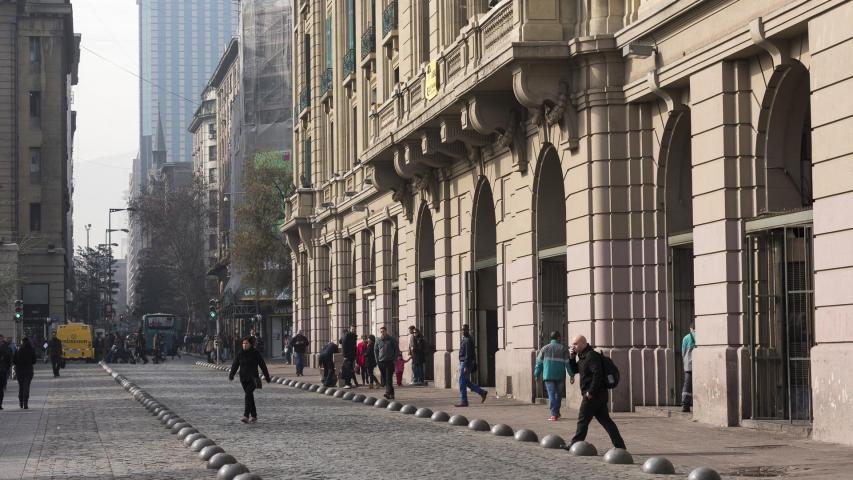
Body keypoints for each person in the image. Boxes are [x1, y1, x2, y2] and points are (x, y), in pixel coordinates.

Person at [568, 335, 626, 450]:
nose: (573, 346)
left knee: (582, 420)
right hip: (598, 395)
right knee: (606, 421)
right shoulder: (583, 357)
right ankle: (620, 446)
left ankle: (575, 444)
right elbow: (574, 370)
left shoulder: (591, 356)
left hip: (593, 395)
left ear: (583, 343)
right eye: (573, 344)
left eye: (575, 344)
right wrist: (572, 357)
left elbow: (597, 374)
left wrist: (591, 392)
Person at [534, 331, 575, 421]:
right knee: (558, 395)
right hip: (560, 376)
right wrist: (571, 375)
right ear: (558, 338)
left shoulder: (544, 348)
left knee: (551, 394)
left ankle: (554, 414)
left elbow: (539, 363)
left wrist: (536, 374)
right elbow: (567, 364)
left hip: (548, 376)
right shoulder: (563, 349)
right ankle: (556, 413)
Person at [229, 336, 271, 423]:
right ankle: (254, 415)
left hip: (253, 378)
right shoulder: (240, 353)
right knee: (250, 396)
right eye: (243, 343)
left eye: (246, 343)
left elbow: (262, 365)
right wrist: (231, 374)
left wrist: (267, 377)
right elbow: (235, 364)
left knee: (248, 394)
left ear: (250, 344)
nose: (244, 345)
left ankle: (246, 415)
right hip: (243, 378)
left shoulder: (255, 353)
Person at [457, 324, 488, 407]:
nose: (463, 331)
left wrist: (466, 366)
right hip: (463, 362)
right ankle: (482, 392)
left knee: (461, 382)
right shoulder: (465, 339)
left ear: (468, 330)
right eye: (462, 330)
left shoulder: (467, 340)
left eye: (465, 330)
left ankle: (464, 401)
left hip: (465, 363)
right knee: (465, 381)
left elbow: (468, 355)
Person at [374, 326, 398, 400]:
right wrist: (377, 360)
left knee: (388, 378)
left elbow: (396, 350)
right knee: (385, 379)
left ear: (386, 331)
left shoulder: (391, 339)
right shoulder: (378, 340)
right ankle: (392, 394)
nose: (382, 333)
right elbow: (376, 351)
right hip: (381, 362)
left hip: (390, 362)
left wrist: (394, 359)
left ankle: (388, 393)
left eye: (383, 331)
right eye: (381, 331)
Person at [13, 337, 37, 409]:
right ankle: (26, 403)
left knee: (21, 387)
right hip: (28, 370)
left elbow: (14, 360)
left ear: (22, 342)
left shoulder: (18, 349)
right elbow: (34, 361)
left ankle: (21, 402)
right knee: (26, 386)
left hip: (19, 370)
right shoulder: (32, 349)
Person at [681, 324, 696, 413]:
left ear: (691, 328)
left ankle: (685, 405)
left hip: (689, 365)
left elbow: (683, 352)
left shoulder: (686, 338)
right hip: (699, 364)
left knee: (687, 385)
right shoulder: (702, 336)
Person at [0, 335, 13, 410]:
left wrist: (7, 368)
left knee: (1, 388)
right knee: (1, 388)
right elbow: (10, 360)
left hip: (3, 370)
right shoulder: (7, 348)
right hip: (3, 370)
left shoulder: (7, 348)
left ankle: (0, 403)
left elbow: (9, 359)